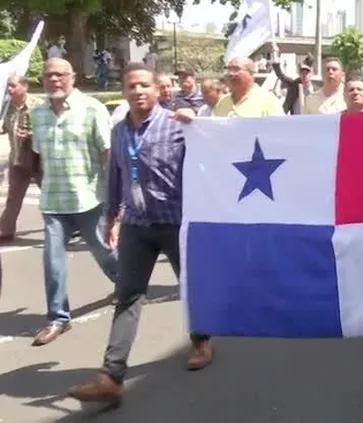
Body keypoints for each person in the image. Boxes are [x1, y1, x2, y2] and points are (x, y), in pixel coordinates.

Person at [66, 63, 213, 406]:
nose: (138, 91)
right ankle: (111, 376)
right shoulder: (119, 131)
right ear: (125, 90)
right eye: (132, 86)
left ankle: (202, 340)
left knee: (189, 285)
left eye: (144, 85)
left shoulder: (178, 126)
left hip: (174, 221)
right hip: (136, 225)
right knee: (128, 296)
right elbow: (116, 174)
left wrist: (200, 124)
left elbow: (208, 160)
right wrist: (111, 214)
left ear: (157, 88)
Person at [29, 58, 118, 346]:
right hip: (53, 200)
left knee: (104, 252)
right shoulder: (38, 113)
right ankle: (57, 317)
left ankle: (128, 284)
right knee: (52, 261)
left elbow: (107, 154)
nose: (54, 80)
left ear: (72, 77)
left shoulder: (92, 108)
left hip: (88, 198)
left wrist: (115, 198)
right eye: (49, 75)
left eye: (60, 75)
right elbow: (39, 155)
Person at [0, 75, 43, 241]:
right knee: (13, 197)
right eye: (8, 86)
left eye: (13, 86)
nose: (10, 89)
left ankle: (69, 226)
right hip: (18, 159)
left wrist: (30, 134)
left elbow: (49, 129)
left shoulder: (38, 106)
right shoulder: (8, 106)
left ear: (25, 87)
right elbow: (6, 126)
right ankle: (6, 231)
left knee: (49, 196)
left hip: (37, 159)